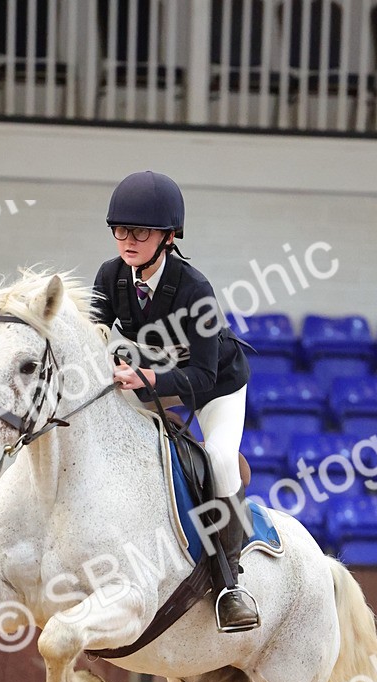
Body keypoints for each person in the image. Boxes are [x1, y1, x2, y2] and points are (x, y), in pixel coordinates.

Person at [92, 170, 259, 634]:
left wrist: (145, 376)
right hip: (148, 381)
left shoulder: (194, 289)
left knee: (222, 459)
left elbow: (202, 376)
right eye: (120, 230)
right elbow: (92, 337)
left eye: (139, 232)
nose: (127, 240)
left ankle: (231, 584)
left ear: (168, 237)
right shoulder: (110, 276)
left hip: (215, 387)